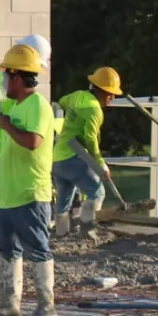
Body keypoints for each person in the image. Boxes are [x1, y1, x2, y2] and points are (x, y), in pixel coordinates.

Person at [0, 45, 56, 316]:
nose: (3, 83)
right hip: (8, 196)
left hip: (30, 194)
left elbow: (32, 142)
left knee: (37, 247)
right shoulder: (16, 109)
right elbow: (10, 153)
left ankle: (46, 306)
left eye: (6, 76)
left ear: (17, 77)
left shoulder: (38, 106)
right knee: (6, 248)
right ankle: (9, 305)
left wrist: (7, 126)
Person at [0, 34, 51, 248]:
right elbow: (14, 116)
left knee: (4, 192)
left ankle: (0, 241)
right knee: (5, 192)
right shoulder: (11, 81)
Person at [52, 67, 122, 239]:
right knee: (97, 192)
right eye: (109, 94)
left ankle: (61, 232)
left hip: (58, 157)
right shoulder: (94, 110)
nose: (112, 98)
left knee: (64, 197)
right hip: (72, 157)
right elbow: (90, 138)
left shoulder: (77, 96)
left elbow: (62, 101)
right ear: (100, 90)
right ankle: (88, 230)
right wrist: (99, 163)